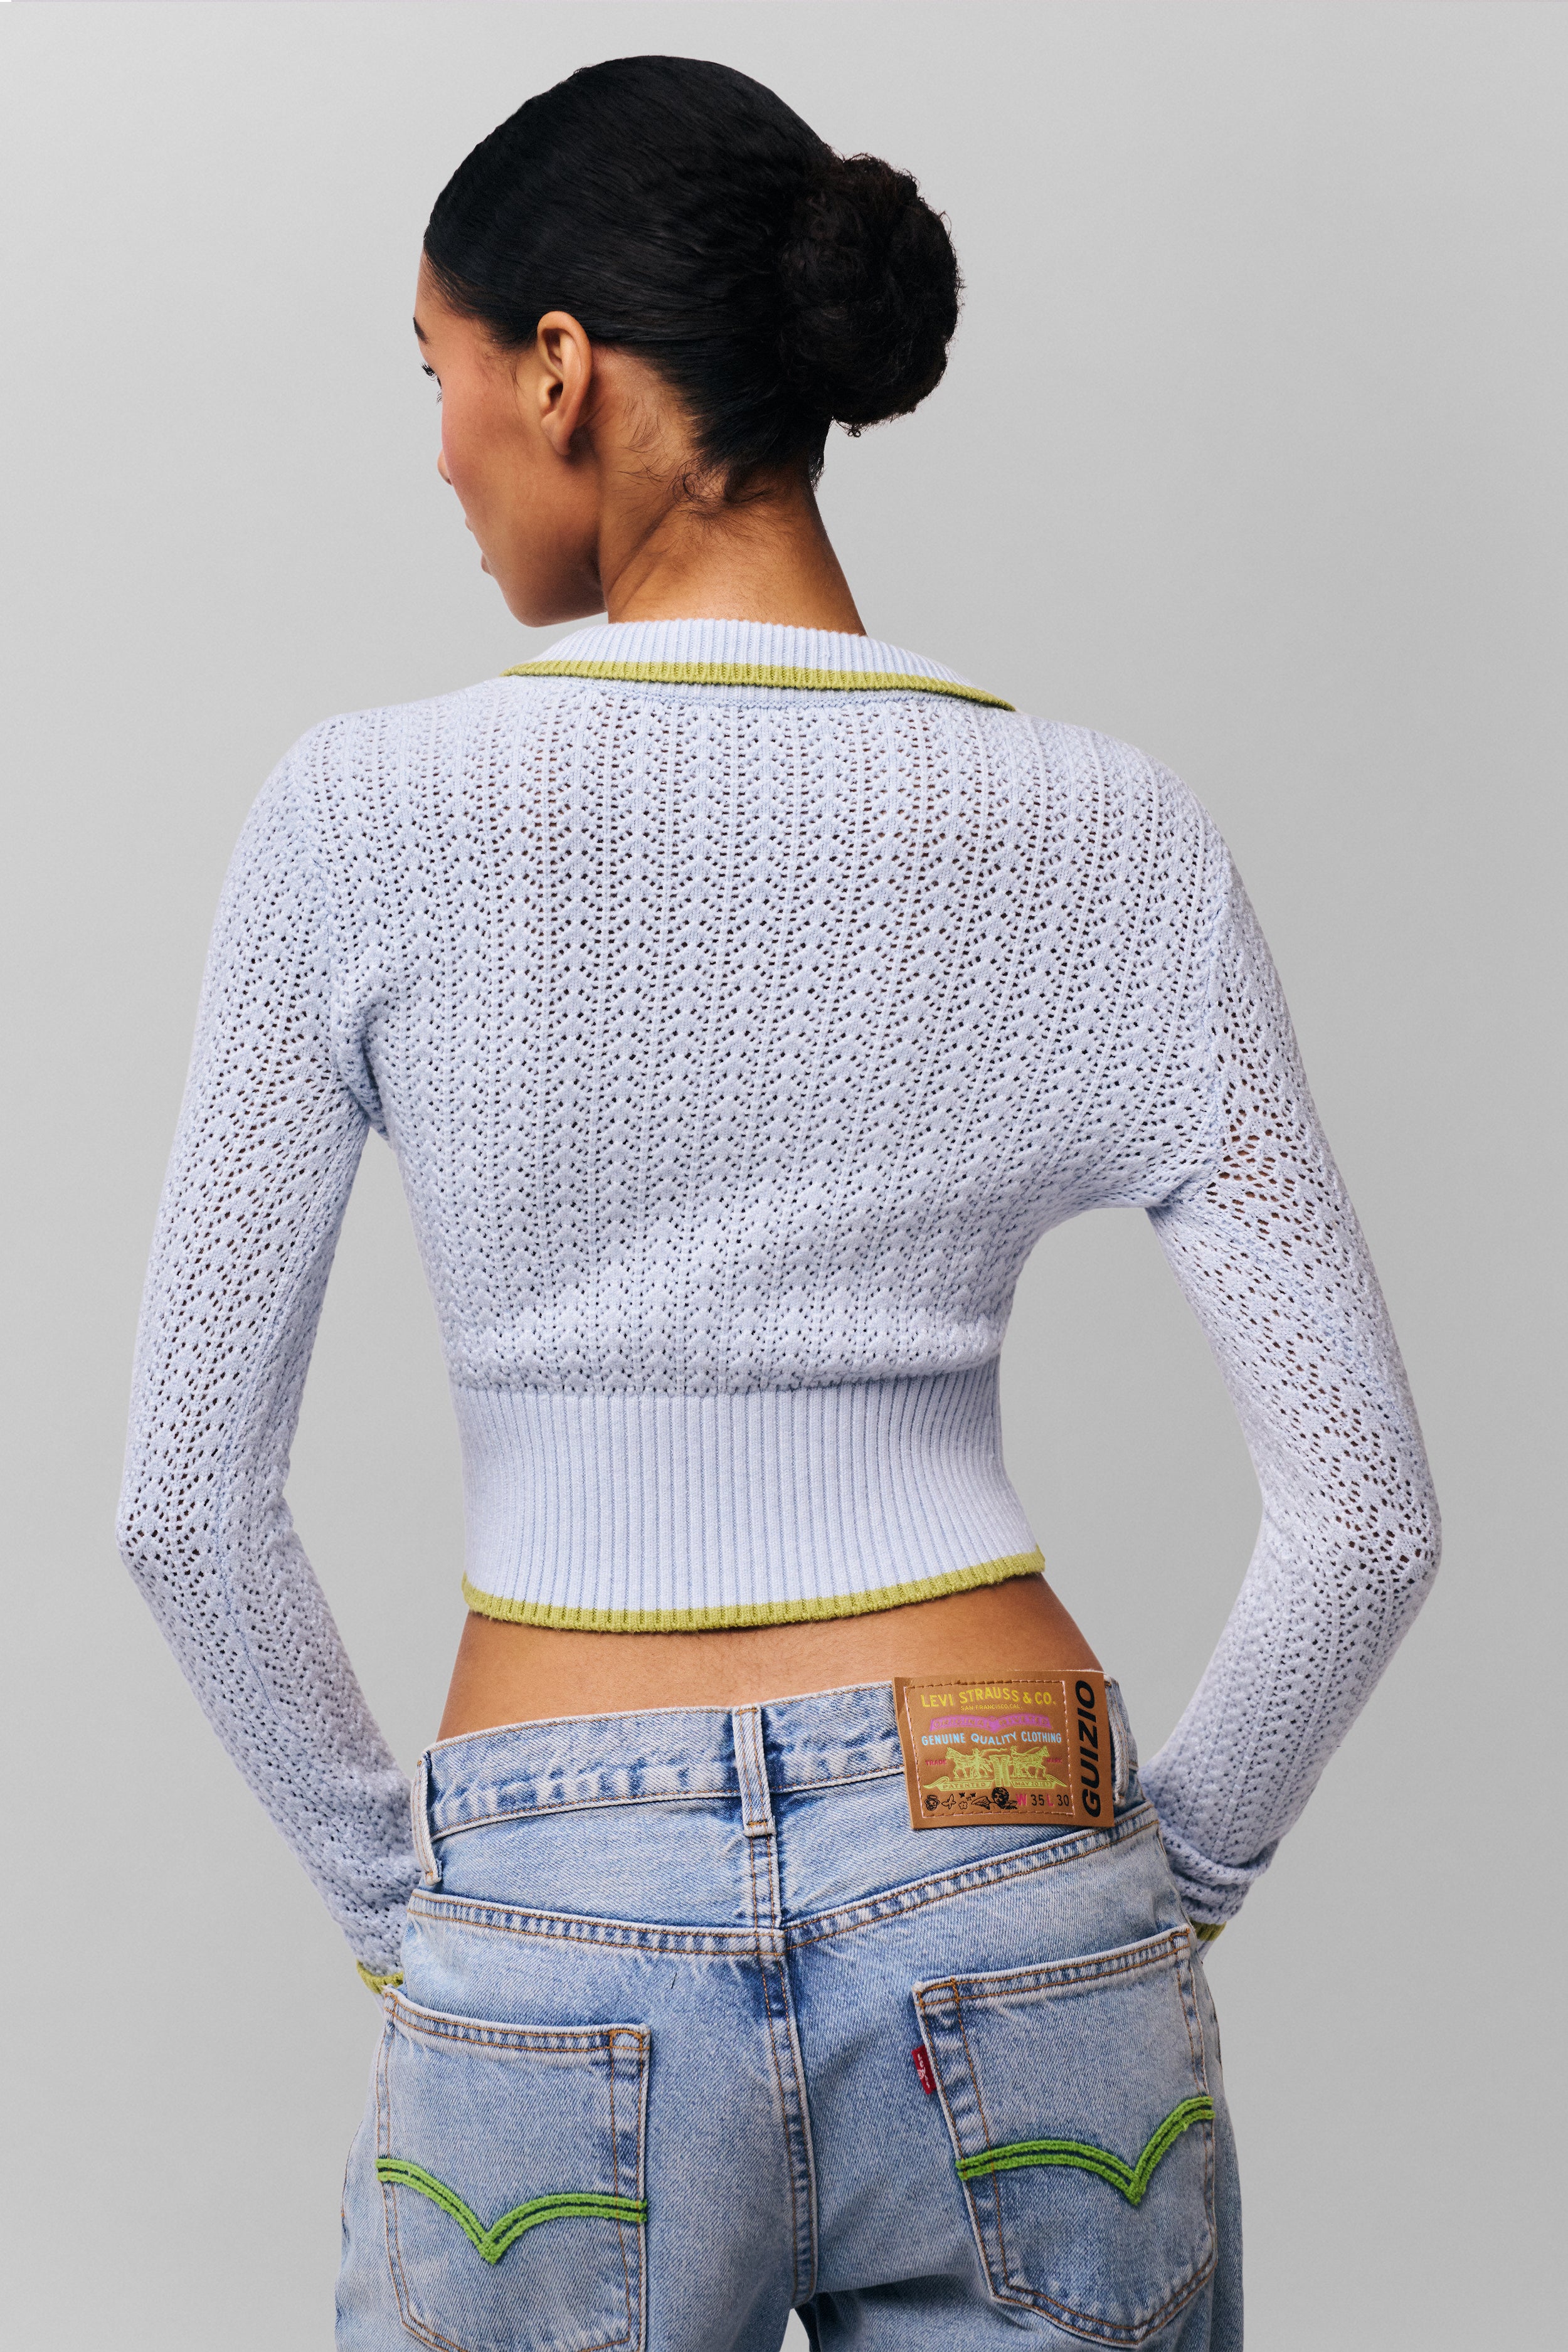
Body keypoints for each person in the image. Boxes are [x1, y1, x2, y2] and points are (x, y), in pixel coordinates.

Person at [117, 53, 1439, 2352]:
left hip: (550, 1897)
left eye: (435, 374)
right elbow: (1370, 1520)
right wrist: (1144, 1894)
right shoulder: (1112, 831)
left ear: (559, 368)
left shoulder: (360, 818)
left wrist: (432, 1923)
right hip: (1011, 1863)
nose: (436, 452)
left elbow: (179, 1509)